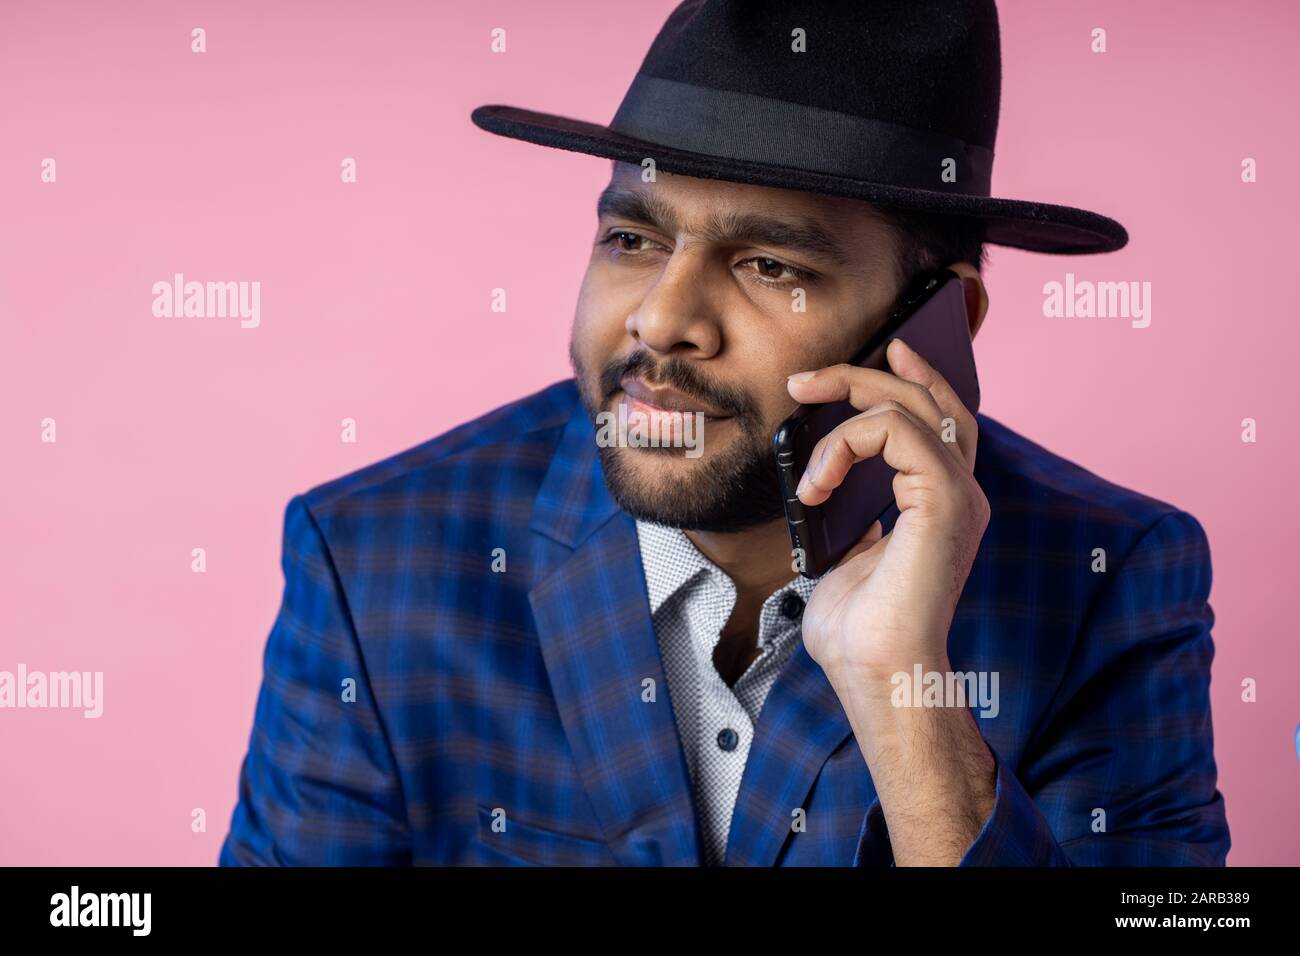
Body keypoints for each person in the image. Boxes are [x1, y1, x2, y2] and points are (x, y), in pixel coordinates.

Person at [219, 0, 1229, 866]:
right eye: (632, 239)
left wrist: (902, 690)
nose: (660, 318)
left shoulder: (1111, 578)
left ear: (938, 325)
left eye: (769, 264)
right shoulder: (374, 558)